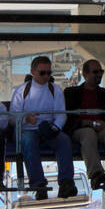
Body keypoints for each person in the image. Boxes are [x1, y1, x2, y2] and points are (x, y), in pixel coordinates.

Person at [10, 55, 77, 199]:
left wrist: (54, 127)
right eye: (42, 73)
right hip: (28, 129)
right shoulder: (21, 91)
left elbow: (61, 114)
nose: (46, 76)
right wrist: (26, 119)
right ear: (33, 72)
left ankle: (66, 182)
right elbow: (12, 117)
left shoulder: (55, 90)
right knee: (28, 140)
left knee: (64, 140)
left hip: (48, 129)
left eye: (48, 73)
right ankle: (38, 183)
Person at [64, 59, 105, 197]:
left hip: (102, 128)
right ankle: (96, 174)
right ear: (85, 74)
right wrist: (83, 123)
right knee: (88, 134)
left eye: (101, 71)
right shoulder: (71, 93)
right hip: (80, 129)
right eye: (95, 72)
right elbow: (66, 117)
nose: (99, 75)